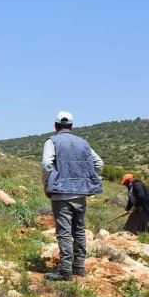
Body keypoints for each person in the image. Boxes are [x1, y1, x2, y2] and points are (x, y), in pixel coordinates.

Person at [41, 111, 103, 281]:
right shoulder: (83, 143)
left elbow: (47, 164)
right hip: (80, 193)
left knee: (64, 232)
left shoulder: (51, 141)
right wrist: (87, 179)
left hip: (60, 194)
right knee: (79, 230)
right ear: (72, 126)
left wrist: (48, 184)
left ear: (55, 126)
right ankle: (79, 267)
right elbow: (99, 163)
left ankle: (65, 271)